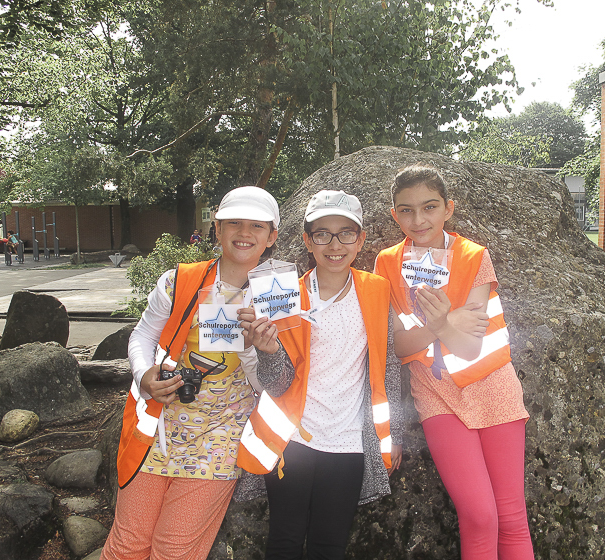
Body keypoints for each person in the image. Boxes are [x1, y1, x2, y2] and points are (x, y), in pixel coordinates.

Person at [101, 186, 280, 560]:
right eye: (234, 223)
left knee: (175, 550)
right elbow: (143, 334)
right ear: (217, 228)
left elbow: (274, 388)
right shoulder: (179, 281)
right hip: (158, 428)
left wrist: (252, 348)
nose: (244, 233)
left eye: (257, 226)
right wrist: (144, 375)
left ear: (272, 236)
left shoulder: (277, 297)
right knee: (127, 544)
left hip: (220, 437)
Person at [374, 165, 534, 560]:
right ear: (395, 215)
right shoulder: (387, 263)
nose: (418, 219)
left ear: (448, 208)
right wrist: (443, 323)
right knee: (479, 515)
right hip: (436, 395)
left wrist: (443, 326)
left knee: (511, 517)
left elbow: (469, 348)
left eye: (429, 207)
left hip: (494, 386)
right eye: (407, 210)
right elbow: (398, 346)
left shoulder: (473, 256)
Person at [238, 190, 403, 560]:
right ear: (307, 240)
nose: (335, 244)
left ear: (360, 239)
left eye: (346, 233)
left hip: (348, 443)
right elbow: (278, 384)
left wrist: (393, 434)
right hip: (291, 438)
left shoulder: (377, 291)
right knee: (284, 540)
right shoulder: (283, 296)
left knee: (330, 545)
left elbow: (388, 368)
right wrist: (267, 351)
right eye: (323, 234)